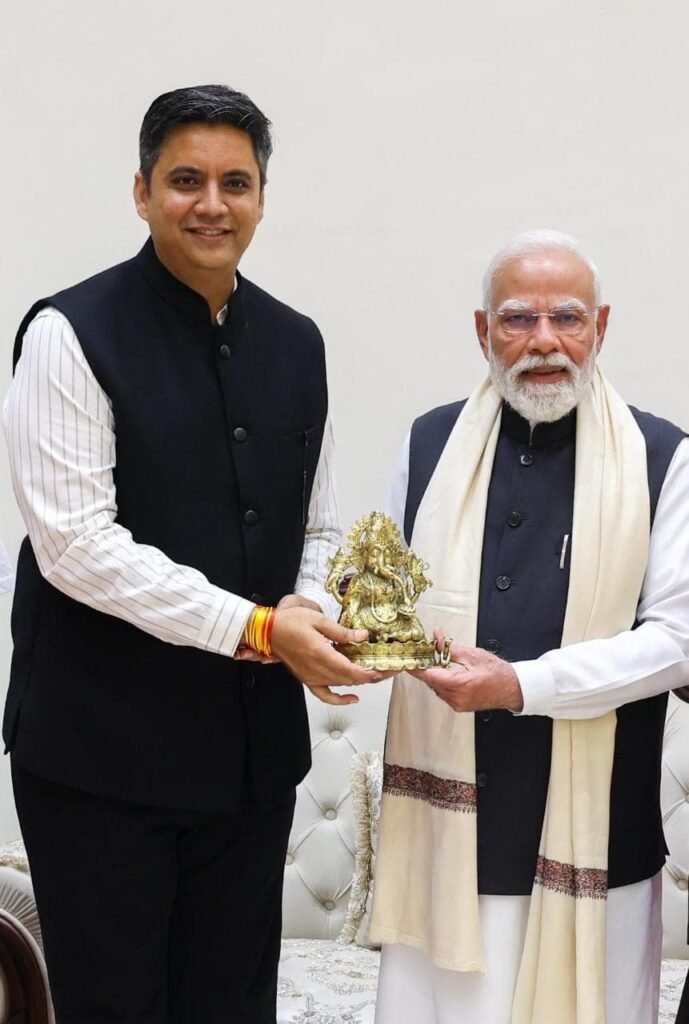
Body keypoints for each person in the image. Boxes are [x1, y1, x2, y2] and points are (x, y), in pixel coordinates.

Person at [2, 84, 380, 1024]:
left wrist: (305, 608)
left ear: (261, 198)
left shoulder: (296, 342)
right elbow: (76, 546)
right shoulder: (67, 334)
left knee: (233, 1007)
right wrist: (259, 630)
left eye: (234, 183)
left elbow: (318, 524)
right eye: (185, 181)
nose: (212, 204)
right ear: (142, 192)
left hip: (249, 762)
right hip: (98, 763)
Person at [368, 230, 689, 1024]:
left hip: (597, 835)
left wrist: (521, 685)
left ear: (599, 327)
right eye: (517, 318)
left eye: (566, 318)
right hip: (447, 841)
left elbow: (676, 640)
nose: (543, 341)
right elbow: (384, 600)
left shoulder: (662, 457)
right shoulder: (427, 443)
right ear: (483, 331)